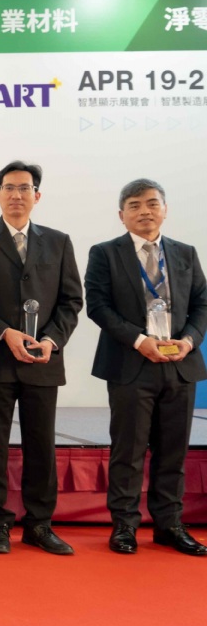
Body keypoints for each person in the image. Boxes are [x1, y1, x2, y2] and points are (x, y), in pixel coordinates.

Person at [0, 161, 82, 555]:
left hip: (42, 360)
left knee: (41, 445)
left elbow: (72, 301)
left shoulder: (58, 242)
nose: (16, 195)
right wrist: (3, 332)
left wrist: (52, 340)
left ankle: (39, 524)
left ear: (37, 196)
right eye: (9, 188)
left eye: (25, 188)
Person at [85, 178, 207, 556]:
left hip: (180, 363)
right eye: (135, 205)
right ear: (121, 215)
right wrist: (140, 341)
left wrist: (189, 341)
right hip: (131, 364)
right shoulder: (105, 253)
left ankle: (170, 525)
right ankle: (124, 526)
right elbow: (98, 306)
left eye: (152, 204)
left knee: (173, 452)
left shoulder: (185, 253)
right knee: (129, 450)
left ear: (164, 210)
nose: (144, 212)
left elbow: (202, 304)